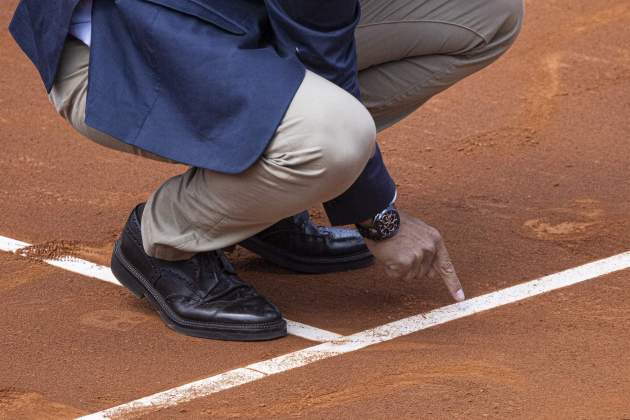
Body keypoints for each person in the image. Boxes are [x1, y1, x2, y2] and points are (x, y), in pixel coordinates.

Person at [10, 0, 524, 341]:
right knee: (334, 139)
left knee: (485, 12)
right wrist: (376, 216)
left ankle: (260, 202)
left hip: (232, 17)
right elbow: (320, 50)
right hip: (122, 53)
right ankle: (163, 240)